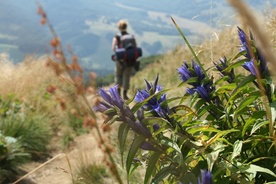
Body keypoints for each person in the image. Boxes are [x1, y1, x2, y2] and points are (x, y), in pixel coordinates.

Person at [112, 20, 137, 100]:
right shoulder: (131, 36)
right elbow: (135, 48)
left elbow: (113, 48)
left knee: (118, 75)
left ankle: (118, 94)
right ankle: (125, 94)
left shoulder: (117, 37)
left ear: (119, 27)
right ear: (126, 27)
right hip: (129, 60)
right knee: (127, 76)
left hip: (119, 60)